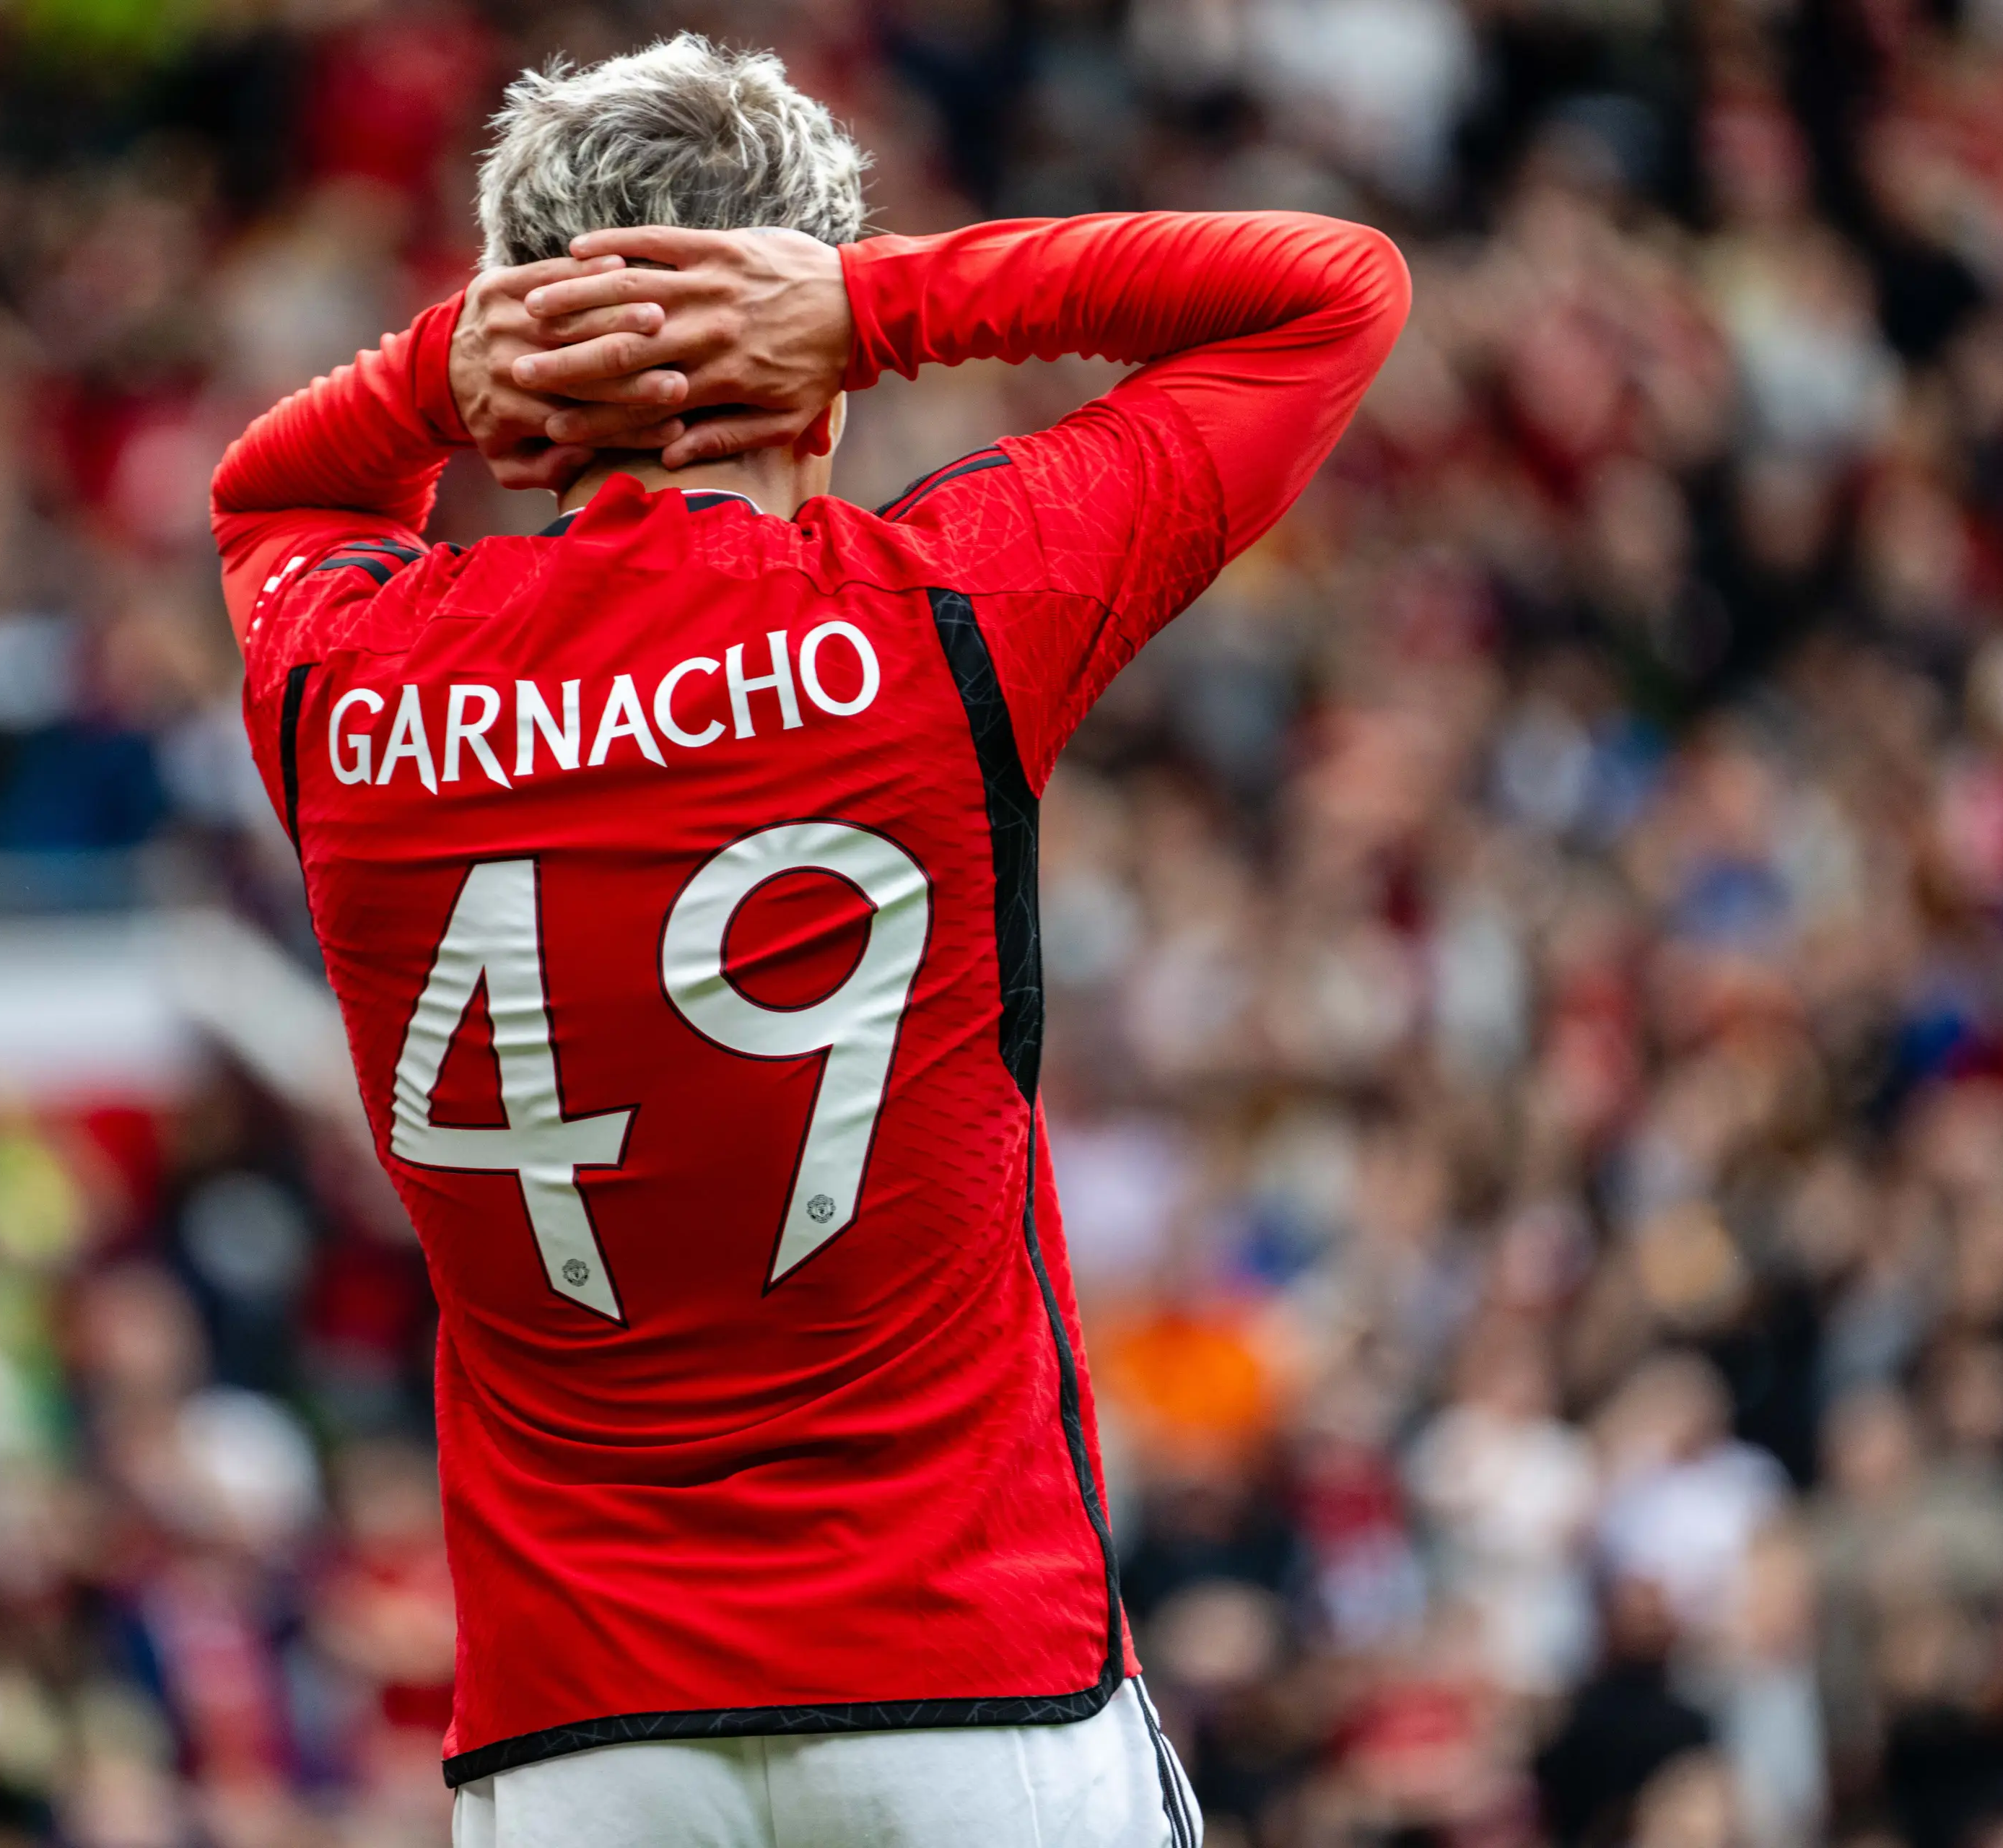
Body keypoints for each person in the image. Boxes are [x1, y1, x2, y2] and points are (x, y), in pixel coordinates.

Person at [208, 32, 1407, 1847]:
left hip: (574, 1742)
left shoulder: (356, 683)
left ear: (515, 374)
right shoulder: (936, 621)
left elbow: (274, 500)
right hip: (976, 1682)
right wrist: (884, 300)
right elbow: (1330, 295)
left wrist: (431, 381)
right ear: (823, 391)